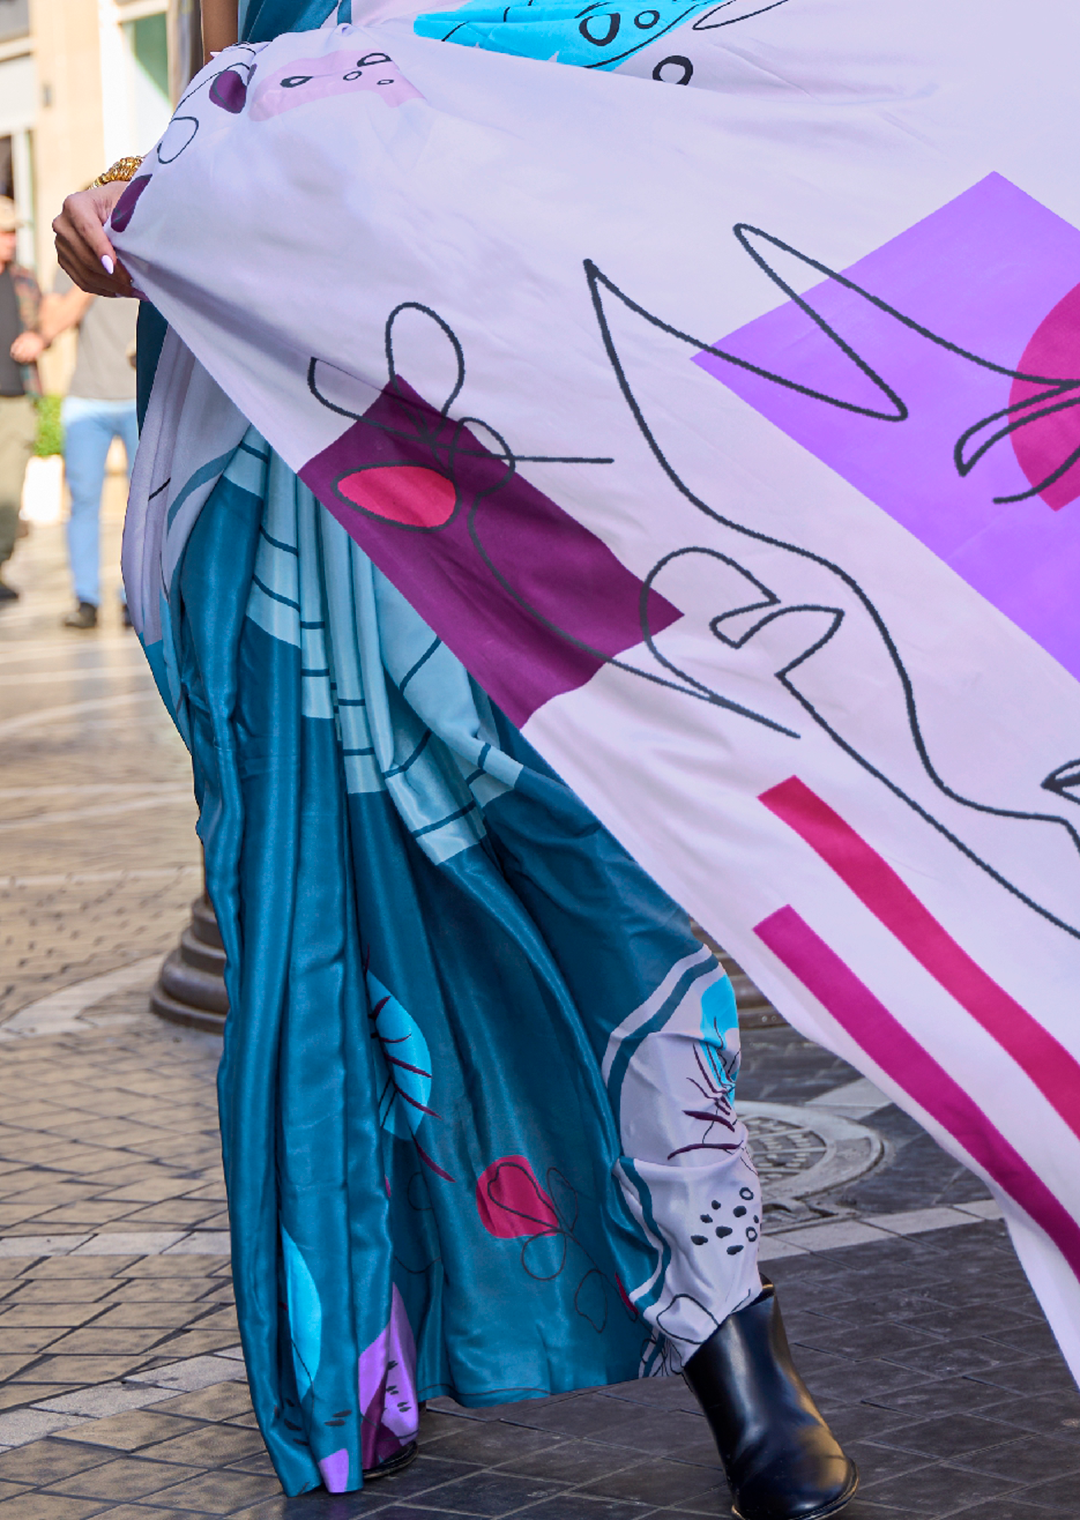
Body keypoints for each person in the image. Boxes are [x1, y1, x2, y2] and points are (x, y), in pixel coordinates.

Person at [52, 5, 857, 1517]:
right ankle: (359, 1346)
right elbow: (218, 147)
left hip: (516, 490)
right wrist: (108, 202)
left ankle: (740, 1340)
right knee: (312, 927)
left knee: (614, 917)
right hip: (289, 478)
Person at [37, 271, 139, 629]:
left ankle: (135, 597)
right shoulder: (74, 261)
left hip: (138, 398)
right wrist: (94, 274)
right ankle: (86, 599)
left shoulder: (146, 250)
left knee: (140, 505)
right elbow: (49, 326)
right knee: (82, 502)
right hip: (86, 400)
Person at [0, 195, 40, 603]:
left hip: (16, 399)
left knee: (8, 495)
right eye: (3, 233)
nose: (10, 241)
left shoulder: (24, 280)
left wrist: (39, 336)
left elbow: (43, 323)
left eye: (12, 233)